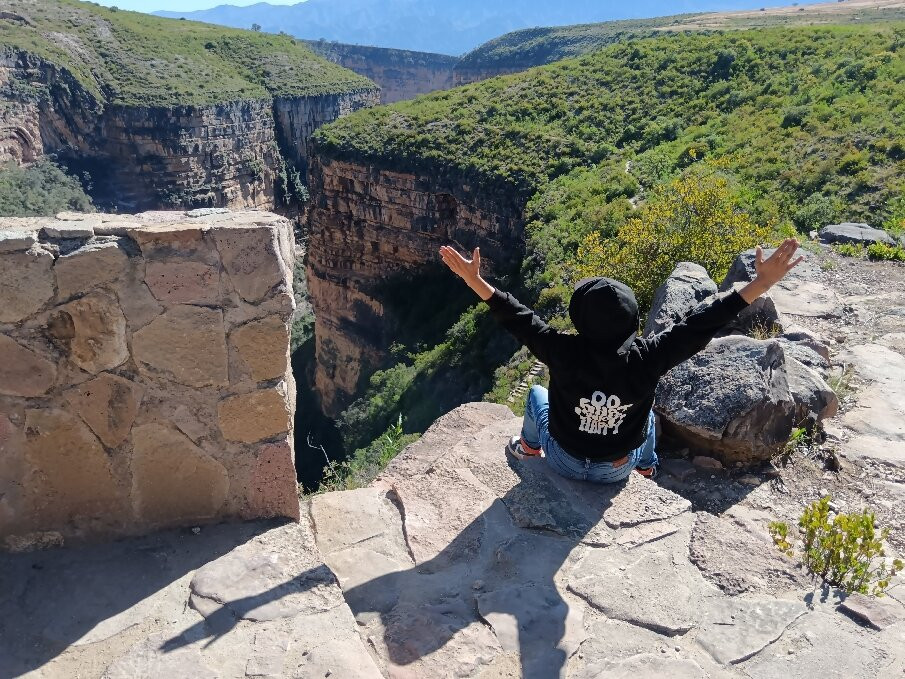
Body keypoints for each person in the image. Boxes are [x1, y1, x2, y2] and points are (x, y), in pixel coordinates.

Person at [439, 239, 804, 483]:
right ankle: (646, 468)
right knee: (647, 412)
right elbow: (701, 324)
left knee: (536, 394)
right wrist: (760, 284)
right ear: (631, 320)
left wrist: (475, 281)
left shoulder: (561, 350)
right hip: (617, 468)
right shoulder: (650, 356)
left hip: (563, 460)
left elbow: (518, 318)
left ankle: (529, 448)